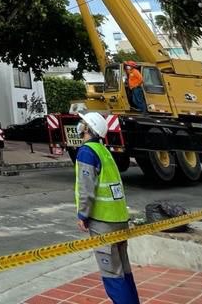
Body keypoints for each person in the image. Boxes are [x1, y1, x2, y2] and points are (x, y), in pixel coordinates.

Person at [75, 111, 140, 304]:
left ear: (88, 129)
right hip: (119, 219)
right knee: (124, 272)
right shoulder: (105, 152)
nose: (80, 125)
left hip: (103, 222)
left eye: (83, 122)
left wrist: (82, 215)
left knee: (112, 273)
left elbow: (87, 188)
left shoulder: (86, 152)